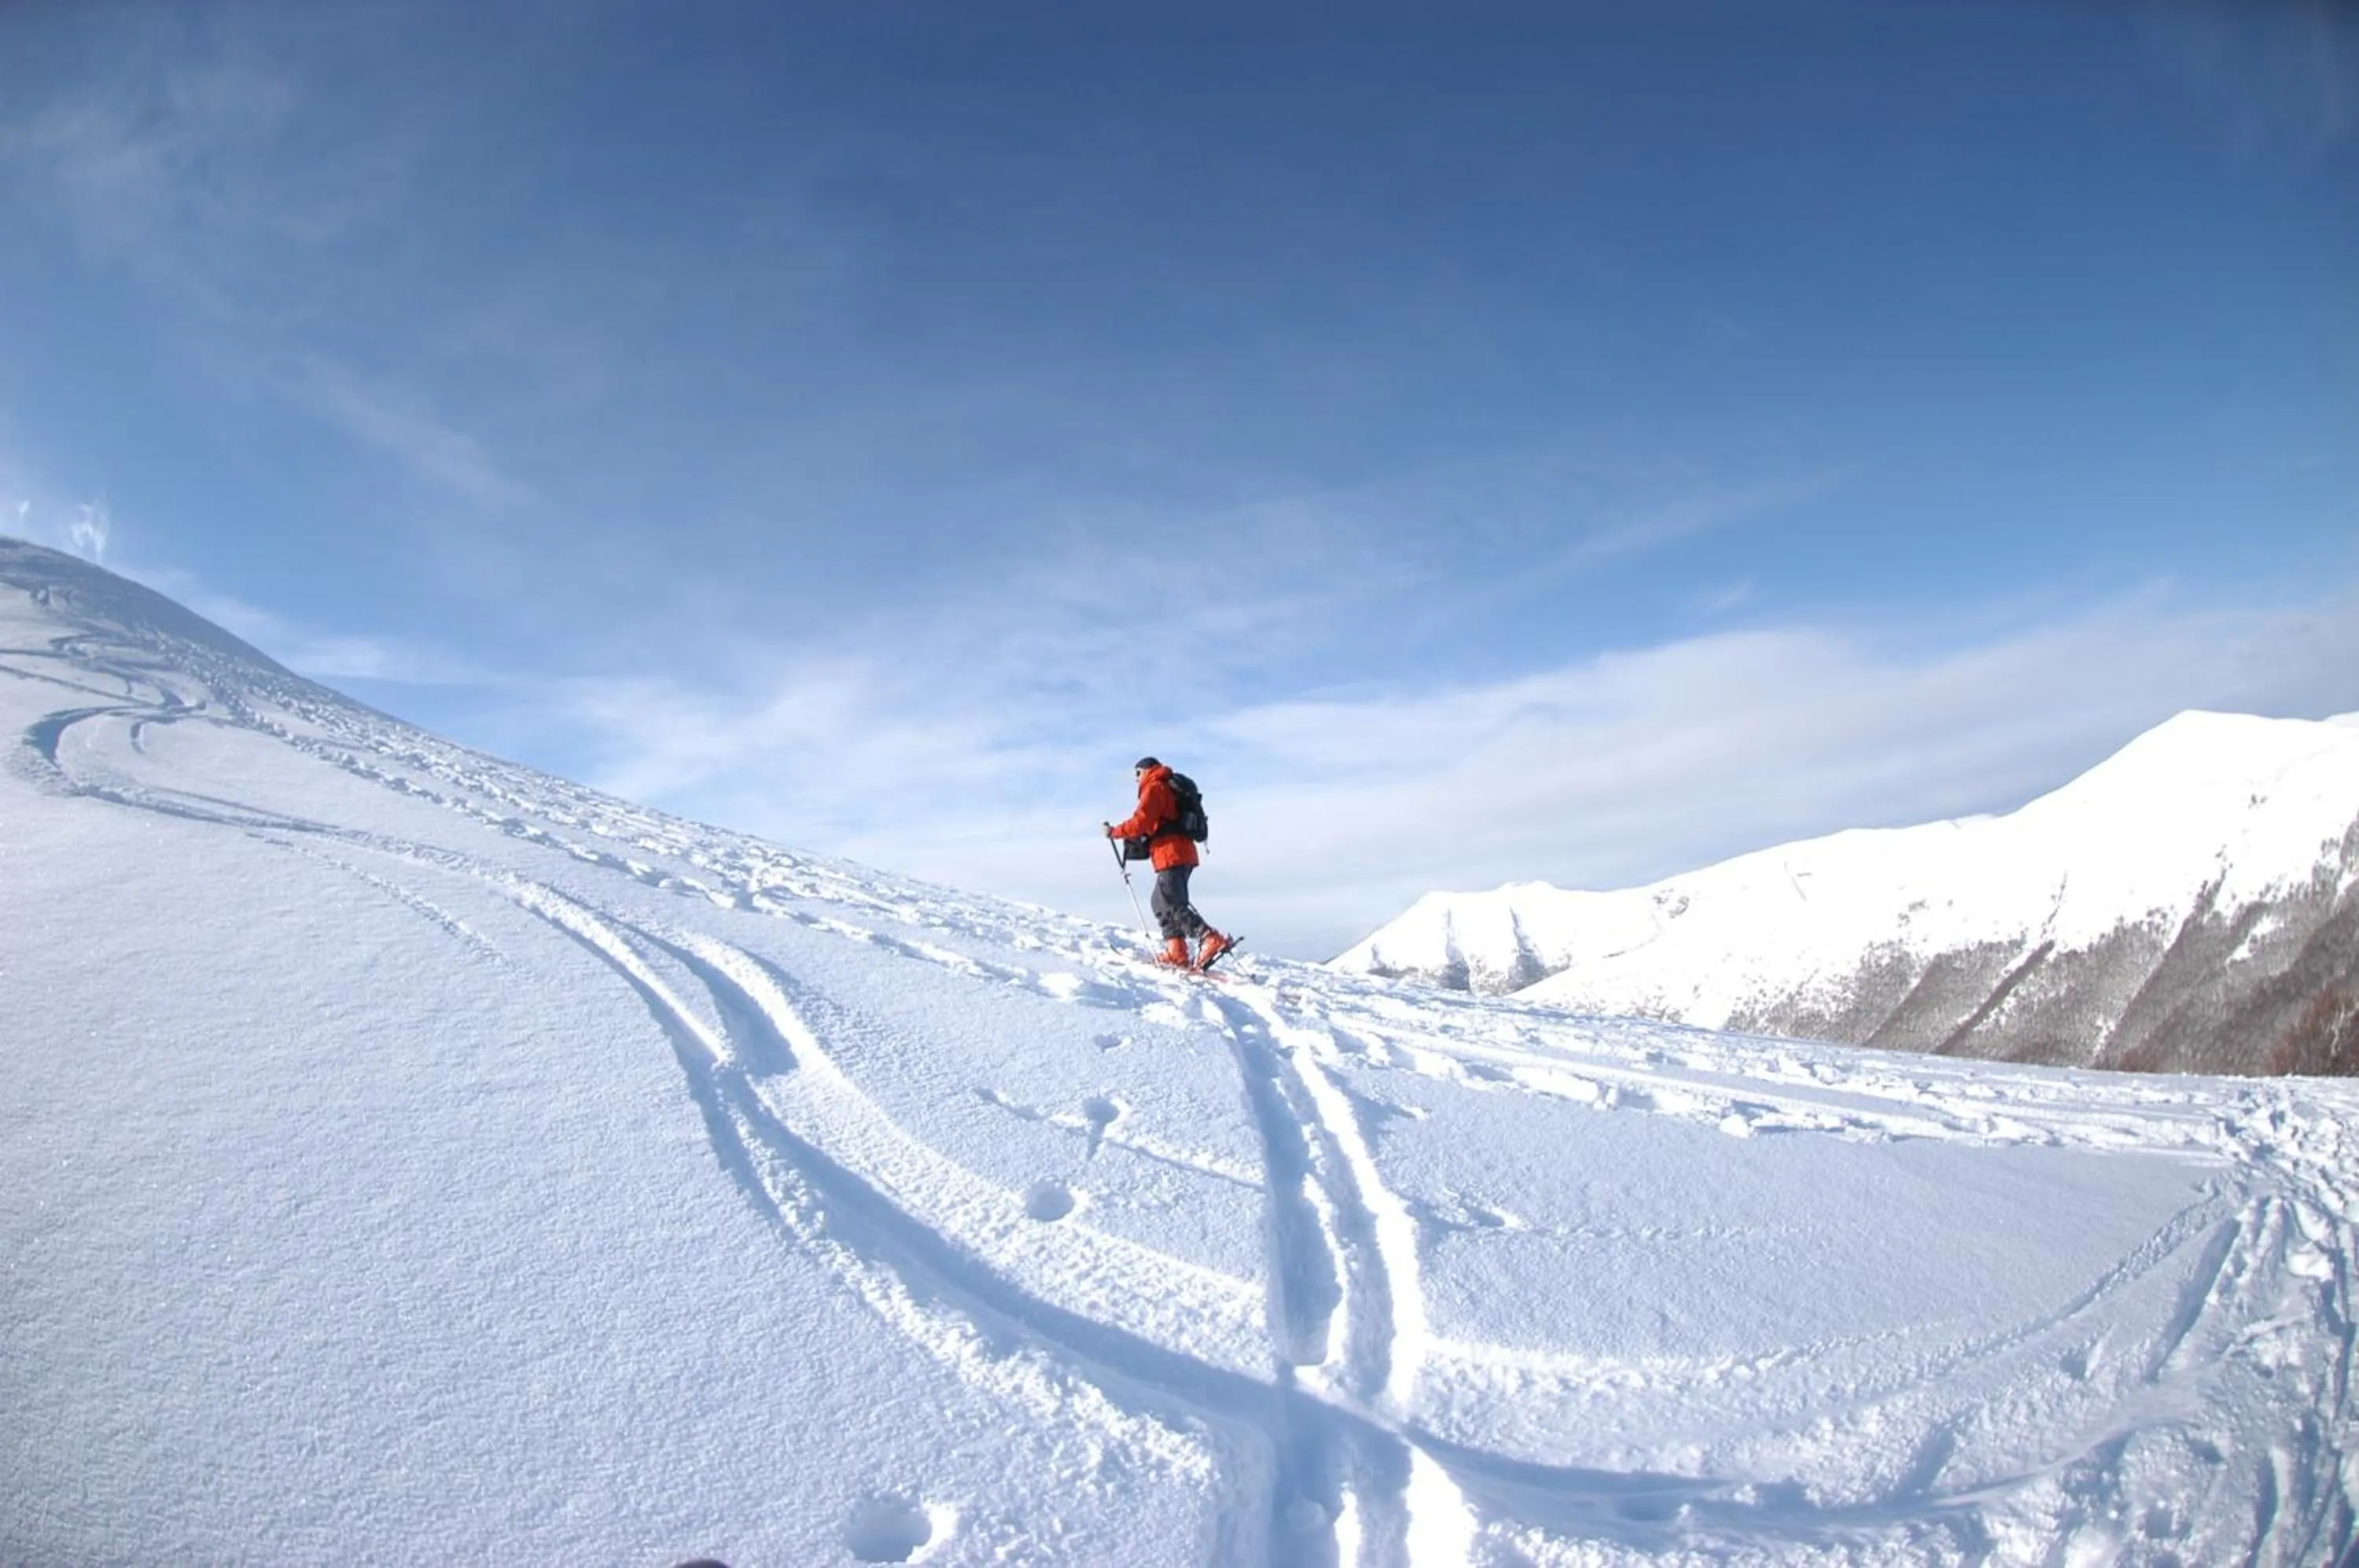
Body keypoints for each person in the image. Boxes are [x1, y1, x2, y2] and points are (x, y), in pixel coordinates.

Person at [1105, 756, 1234, 970]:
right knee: (1160, 901)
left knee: (1172, 903)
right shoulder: (1167, 787)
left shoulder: (1155, 787)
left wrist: (1114, 832)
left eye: (1137, 773)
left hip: (1172, 853)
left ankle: (1209, 938)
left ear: (1147, 770)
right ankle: (1177, 951)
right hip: (1179, 853)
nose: (1136, 779)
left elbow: (1141, 821)